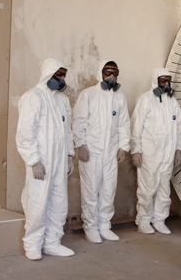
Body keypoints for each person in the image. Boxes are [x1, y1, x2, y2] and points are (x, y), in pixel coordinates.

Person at [16, 58, 76, 260]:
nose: (61, 78)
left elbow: (67, 131)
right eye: (57, 74)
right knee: (37, 202)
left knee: (59, 201)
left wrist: (69, 155)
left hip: (59, 161)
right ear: (47, 74)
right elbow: (25, 132)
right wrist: (34, 161)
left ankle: (52, 242)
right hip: (42, 161)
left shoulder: (62, 100)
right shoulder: (33, 97)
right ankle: (32, 243)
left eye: (63, 75)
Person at [73, 60, 131, 243]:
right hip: (92, 152)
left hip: (111, 153)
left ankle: (105, 225)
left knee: (108, 190)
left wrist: (123, 147)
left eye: (115, 71)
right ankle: (90, 226)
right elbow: (79, 121)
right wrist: (80, 145)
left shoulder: (119, 97)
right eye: (108, 71)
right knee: (91, 191)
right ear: (101, 73)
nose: (111, 75)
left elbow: (124, 124)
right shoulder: (88, 94)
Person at [131, 68, 181, 235]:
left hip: (168, 153)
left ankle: (159, 219)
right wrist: (136, 150)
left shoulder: (173, 103)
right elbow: (136, 126)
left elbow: (178, 129)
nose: (166, 83)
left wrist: (178, 150)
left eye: (168, 79)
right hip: (149, 153)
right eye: (163, 80)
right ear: (156, 80)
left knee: (163, 187)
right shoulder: (145, 100)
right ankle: (144, 220)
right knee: (147, 188)